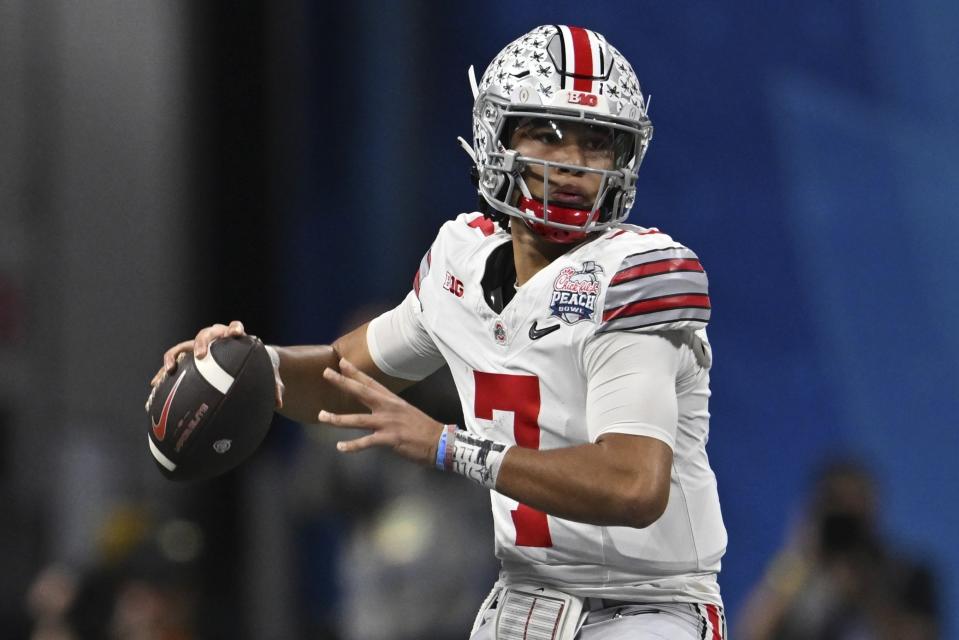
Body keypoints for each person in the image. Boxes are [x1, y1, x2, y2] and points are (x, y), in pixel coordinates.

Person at [153, 25, 727, 639]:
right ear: (496, 135)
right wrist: (245, 364)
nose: (573, 165)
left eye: (597, 143)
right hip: (525, 599)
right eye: (550, 135)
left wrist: (447, 445)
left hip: (643, 608)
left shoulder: (636, 274)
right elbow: (341, 379)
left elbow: (633, 486)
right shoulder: (461, 260)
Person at [736, 459, 940, 640]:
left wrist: (868, 592)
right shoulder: (798, 573)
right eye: (838, 502)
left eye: (857, 502)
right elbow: (752, 633)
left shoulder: (906, 574)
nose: (849, 513)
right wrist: (797, 556)